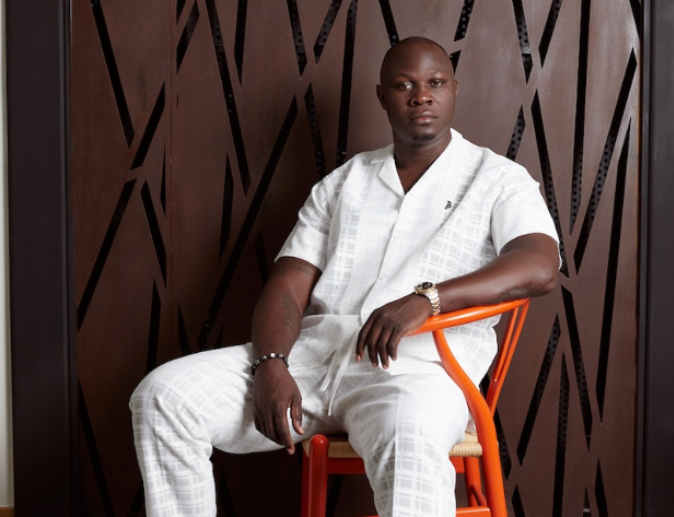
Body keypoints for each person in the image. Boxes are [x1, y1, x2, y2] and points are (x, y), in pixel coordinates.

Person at [130, 36, 560, 517]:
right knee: (163, 396)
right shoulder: (344, 182)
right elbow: (288, 286)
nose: (421, 96)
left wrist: (427, 300)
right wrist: (271, 363)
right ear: (382, 96)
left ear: (455, 89)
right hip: (312, 363)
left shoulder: (497, 178)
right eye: (404, 85)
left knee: (410, 442)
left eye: (436, 83)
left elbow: (540, 264)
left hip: (417, 374)